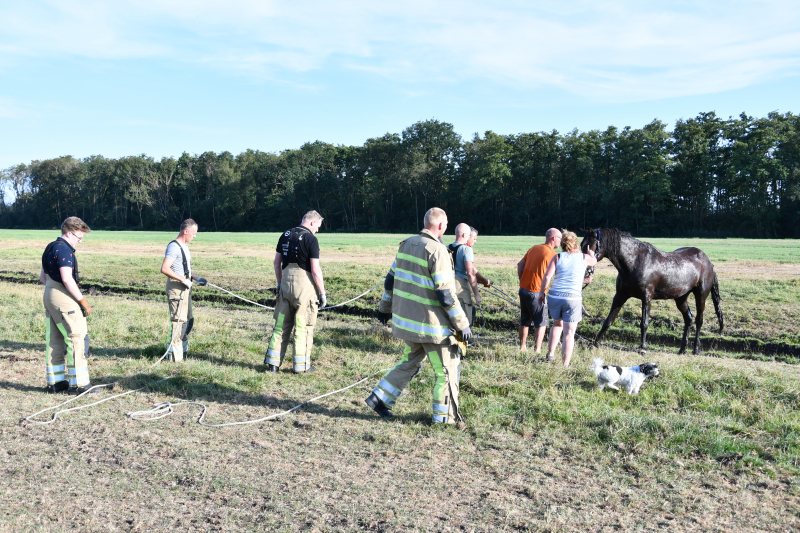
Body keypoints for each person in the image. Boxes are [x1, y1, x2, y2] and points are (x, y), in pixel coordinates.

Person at [367, 207, 471, 424]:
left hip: (409, 323)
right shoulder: (438, 250)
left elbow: (390, 281)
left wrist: (384, 308)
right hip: (432, 326)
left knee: (410, 362)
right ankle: (444, 419)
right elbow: (446, 294)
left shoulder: (405, 244)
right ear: (441, 226)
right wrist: (462, 324)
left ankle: (380, 399)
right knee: (446, 370)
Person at [265, 210, 326, 374]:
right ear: (312, 222)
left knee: (281, 325)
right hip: (304, 291)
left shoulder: (285, 234)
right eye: (318, 226)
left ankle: (273, 364)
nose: (318, 230)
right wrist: (322, 293)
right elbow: (315, 270)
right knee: (303, 326)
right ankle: (301, 367)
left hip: (285, 286)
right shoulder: (311, 239)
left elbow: (277, 263)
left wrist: (279, 283)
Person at [39, 217, 95, 394]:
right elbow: (67, 279)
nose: (80, 241)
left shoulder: (50, 247)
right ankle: (79, 385)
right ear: (69, 233)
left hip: (49, 293)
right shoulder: (64, 250)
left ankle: (56, 383)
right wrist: (82, 301)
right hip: (63, 296)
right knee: (76, 337)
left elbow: (42, 277)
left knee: (54, 339)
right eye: (79, 237)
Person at [537, 229, 597, 367]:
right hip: (573, 299)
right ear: (576, 244)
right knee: (569, 333)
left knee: (557, 325)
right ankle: (565, 364)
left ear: (563, 244)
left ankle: (550, 354)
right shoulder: (583, 258)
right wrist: (591, 253)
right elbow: (594, 261)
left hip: (554, 296)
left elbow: (547, 277)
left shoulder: (557, 257)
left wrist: (541, 294)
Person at [160, 219, 207, 362]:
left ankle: (182, 352)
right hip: (177, 289)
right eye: (193, 233)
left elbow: (184, 268)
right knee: (178, 322)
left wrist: (196, 277)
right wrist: (183, 280)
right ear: (185, 231)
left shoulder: (185, 246)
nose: (195, 236)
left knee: (187, 321)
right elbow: (165, 268)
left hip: (185, 289)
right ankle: (174, 358)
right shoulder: (174, 247)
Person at [517, 228, 561, 353]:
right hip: (536, 292)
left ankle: (522, 347)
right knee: (541, 322)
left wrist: (522, 281)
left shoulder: (534, 248)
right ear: (553, 238)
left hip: (523, 289)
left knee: (525, 320)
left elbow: (520, 265)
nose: (560, 241)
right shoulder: (553, 255)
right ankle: (537, 350)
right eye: (560, 238)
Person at [449, 224, 491, 327]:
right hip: (461, 287)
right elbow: (470, 273)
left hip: (448, 285)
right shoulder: (467, 250)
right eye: (472, 237)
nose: (474, 241)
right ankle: (464, 341)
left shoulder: (447, 248)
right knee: (465, 317)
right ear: (464, 235)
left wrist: (481, 280)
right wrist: (476, 295)